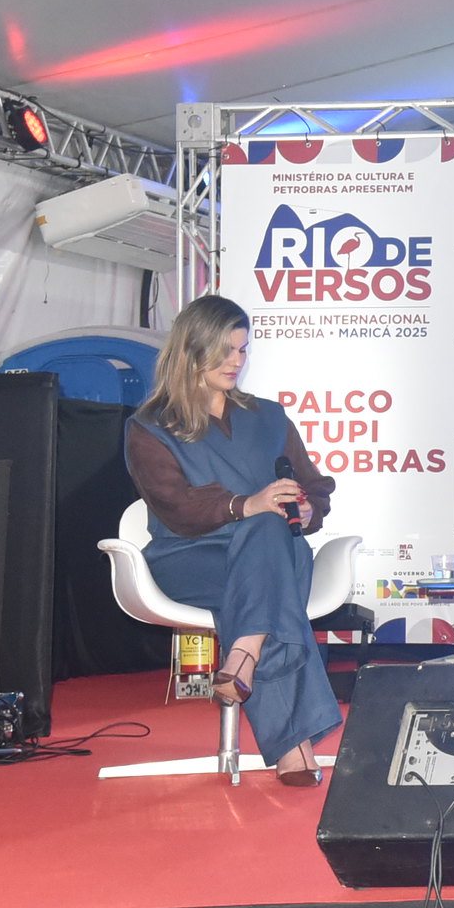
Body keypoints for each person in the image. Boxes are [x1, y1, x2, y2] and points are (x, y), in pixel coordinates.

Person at [124, 295, 339, 786]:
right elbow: (174, 505)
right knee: (269, 568)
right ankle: (290, 735)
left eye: (242, 350)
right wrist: (245, 504)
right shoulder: (150, 427)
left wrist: (308, 509)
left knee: (269, 531)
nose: (236, 361)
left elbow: (313, 485)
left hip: (274, 555)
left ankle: (244, 653)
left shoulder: (270, 416)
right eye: (224, 350)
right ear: (191, 349)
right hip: (190, 558)